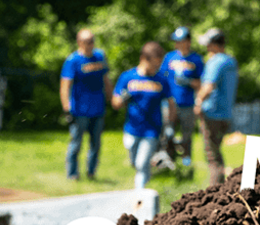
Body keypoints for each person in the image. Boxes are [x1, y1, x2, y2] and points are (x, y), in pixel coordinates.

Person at [113, 41, 176, 190]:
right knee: (135, 162)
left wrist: (170, 125)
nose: (157, 68)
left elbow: (171, 102)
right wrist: (123, 98)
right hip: (132, 129)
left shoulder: (161, 80)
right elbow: (115, 103)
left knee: (142, 163)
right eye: (154, 64)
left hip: (152, 130)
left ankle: (140, 193)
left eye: (159, 64)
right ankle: (145, 179)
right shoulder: (128, 77)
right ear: (144, 59)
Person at [60, 29, 111, 181]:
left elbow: (106, 79)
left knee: (96, 144)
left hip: (98, 108)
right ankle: (72, 174)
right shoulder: (72, 60)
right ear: (79, 42)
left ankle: (91, 172)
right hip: (79, 109)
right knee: (76, 143)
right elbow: (65, 86)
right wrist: (66, 108)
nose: (91, 44)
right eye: (87, 42)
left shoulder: (100, 57)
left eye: (92, 41)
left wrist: (111, 97)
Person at [194, 27, 239, 187]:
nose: (206, 48)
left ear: (213, 44)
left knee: (212, 157)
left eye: (208, 44)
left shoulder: (215, 61)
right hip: (226, 114)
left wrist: (198, 102)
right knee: (217, 152)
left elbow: (208, 87)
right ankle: (220, 186)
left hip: (212, 113)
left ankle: (214, 189)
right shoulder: (230, 61)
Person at [161, 26, 204, 169]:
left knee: (187, 135)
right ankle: (168, 160)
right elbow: (161, 77)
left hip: (188, 103)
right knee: (168, 133)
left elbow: (201, 84)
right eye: (176, 41)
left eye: (180, 40)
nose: (177, 43)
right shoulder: (169, 57)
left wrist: (188, 82)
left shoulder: (196, 59)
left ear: (188, 41)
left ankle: (186, 159)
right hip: (170, 103)